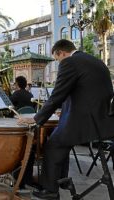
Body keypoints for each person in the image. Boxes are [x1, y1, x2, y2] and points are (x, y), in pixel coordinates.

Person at [18, 39, 114, 199]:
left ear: (61, 53)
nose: (58, 62)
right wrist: (65, 110)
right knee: (61, 139)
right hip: (103, 119)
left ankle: (50, 190)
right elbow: (84, 91)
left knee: (53, 144)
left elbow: (57, 94)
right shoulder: (94, 60)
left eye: (57, 59)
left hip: (87, 122)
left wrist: (36, 119)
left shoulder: (69, 62)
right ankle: (61, 180)